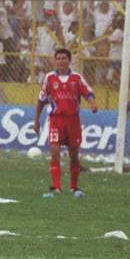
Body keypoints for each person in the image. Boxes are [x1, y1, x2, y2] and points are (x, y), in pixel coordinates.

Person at [34, 48, 98, 197]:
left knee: (74, 155)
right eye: (58, 58)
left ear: (69, 61)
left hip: (73, 121)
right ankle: (56, 187)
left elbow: (87, 91)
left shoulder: (76, 78)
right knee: (55, 152)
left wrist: (93, 103)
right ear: (55, 61)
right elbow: (41, 100)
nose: (61, 61)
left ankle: (74, 187)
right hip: (56, 120)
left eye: (64, 58)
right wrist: (36, 120)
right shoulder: (49, 78)